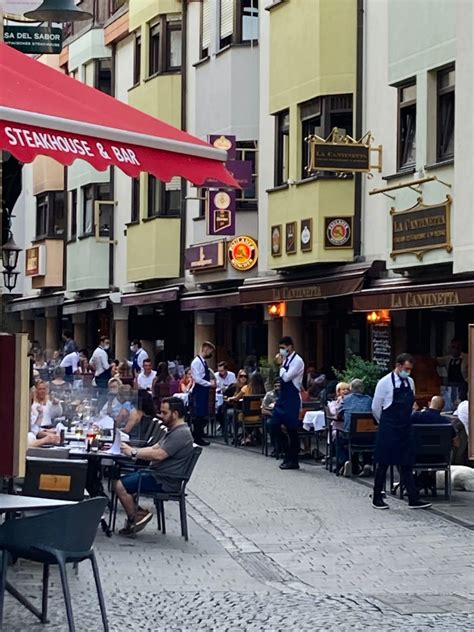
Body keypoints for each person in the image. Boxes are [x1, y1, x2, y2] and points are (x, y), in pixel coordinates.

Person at [116, 397, 194, 536]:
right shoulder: (174, 430)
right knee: (119, 479)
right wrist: (132, 450)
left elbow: (159, 455)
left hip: (164, 480)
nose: (160, 415)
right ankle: (138, 513)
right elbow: (154, 448)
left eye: (164, 413)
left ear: (175, 414)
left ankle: (135, 516)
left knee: (119, 485)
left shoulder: (181, 434)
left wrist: (133, 452)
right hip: (157, 474)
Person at [371, 353, 432, 510]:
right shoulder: (384, 383)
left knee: (406, 462)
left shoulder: (410, 382)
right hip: (389, 426)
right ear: (397, 366)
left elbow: (411, 403)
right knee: (383, 462)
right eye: (405, 368)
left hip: (405, 426)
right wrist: (384, 423)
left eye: (410, 369)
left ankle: (413, 498)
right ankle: (377, 497)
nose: (408, 372)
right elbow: (376, 407)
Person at [272, 336, 305, 470]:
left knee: (292, 430)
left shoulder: (297, 361)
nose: (281, 351)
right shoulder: (286, 359)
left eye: (283, 348)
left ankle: (293, 459)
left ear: (290, 347)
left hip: (292, 397)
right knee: (273, 424)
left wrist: (280, 365)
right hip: (283, 397)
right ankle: (286, 451)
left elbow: (286, 377)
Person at [338, 379, 374, 477]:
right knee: (368, 439)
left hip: (350, 435)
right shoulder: (369, 399)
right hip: (367, 435)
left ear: (351, 389)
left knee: (339, 439)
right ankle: (367, 463)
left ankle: (345, 461)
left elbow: (339, 413)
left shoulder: (346, 399)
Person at [190, 341, 216, 446]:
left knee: (202, 413)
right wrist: (209, 384)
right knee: (199, 414)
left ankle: (198, 434)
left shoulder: (203, 361)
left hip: (203, 390)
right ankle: (197, 437)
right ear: (205, 349)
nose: (210, 353)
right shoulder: (197, 362)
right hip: (199, 390)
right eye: (210, 350)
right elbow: (197, 379)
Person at [437, 339, 469, 406]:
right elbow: (434, 361)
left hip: (462, 385)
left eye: (458, 347)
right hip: (450, 386)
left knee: (461, 403)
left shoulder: (467, 358)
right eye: (453, 347)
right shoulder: (448, 359)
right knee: (450, 404)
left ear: (461, 348)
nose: (455, 349)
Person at [262, 379, 283, 457]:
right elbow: (263, 410)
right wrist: (272, 415)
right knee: (271, 424)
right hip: (272, 415)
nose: (277, 388)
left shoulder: (286, 394)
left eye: (279, 386)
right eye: (275, 386)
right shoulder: (269, 394)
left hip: (284, 416)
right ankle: (276, 447)